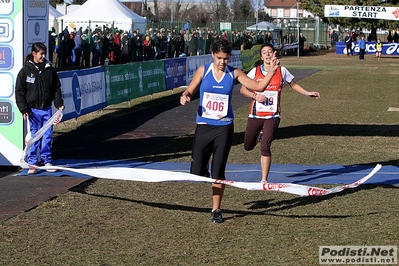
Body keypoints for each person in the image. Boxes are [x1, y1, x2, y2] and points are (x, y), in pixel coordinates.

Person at [180, 39, 279, 223]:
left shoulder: (234, 73)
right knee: (196, 171)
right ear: (212, 55)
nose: (222, 62)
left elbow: (257, 87)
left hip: (224, 128)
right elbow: (190, 90)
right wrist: (185, 96)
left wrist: (271, 72)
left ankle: (216, 209)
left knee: (218, 171)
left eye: (225, 58)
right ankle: (203, 171)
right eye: (219, 58)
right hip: (204, 126)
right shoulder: (204, 71)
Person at [240, 43, 320, 184]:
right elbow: (242, 90)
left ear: (274, 54)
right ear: (261, 56)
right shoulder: (255, 71)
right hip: (256, 114)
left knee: (265, 146)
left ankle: (264, 179)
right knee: (247, 146)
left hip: (273, 115)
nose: (267, 54)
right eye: (264, 52)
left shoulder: (282, 71)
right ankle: (258, 136)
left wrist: (308, 93)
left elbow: (293, 84)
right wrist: (255, 96)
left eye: (270, 51)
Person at [15, 43, 64, 174]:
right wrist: (23, 108)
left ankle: (46, 160)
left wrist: (58, 102)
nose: (43, 56)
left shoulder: (50, 70)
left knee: (47, 136)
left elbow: (56, 87)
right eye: (40, 54)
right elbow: (19, 91)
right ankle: (32, 163)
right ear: (34, 54)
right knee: (34, 137)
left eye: (44, 54)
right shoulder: (25, 71)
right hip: (32, 110)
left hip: (46, 109)